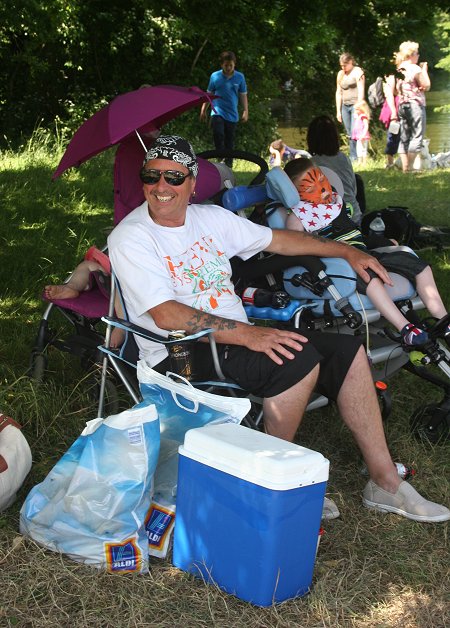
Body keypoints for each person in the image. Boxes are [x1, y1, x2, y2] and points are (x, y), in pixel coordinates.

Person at [107, 134, 450, 523]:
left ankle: (385, 483)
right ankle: (269, 481)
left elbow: (280, 240)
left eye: (173, 177)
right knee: (296, 357)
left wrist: (347, 250)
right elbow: (166, 315)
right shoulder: (131, 236)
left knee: (346, 348)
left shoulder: (209, 218)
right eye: (151, 176)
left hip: (231, 338)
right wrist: (249, 333)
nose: (161, 187)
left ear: (191, 182)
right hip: (178, 352)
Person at [282, 157, 449, 347]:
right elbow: (295, 246)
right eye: (309, 189)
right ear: (295, 194)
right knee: (369, 277)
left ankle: (444, 322)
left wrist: (382, 242)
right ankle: (406, 329)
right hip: (342, 265)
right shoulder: (298, 217)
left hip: (365, 252)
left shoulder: (334, 201)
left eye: (321, 179)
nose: (321, 189)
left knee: (417, 265)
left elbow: (354, 233)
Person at [44, 248, 125, 348]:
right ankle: (71, 287)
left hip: (125, 284)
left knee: (118, 289)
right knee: (86, 265)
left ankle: (121, 327)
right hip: (108, 274)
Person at [307, 115, 363, 225]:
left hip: (331, 220)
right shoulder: (344, 158)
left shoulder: (310, 164)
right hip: (354, 215)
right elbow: (353, 190)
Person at [200, 51, 248, 167]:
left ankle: (229, 164)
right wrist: (203, 110)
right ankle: (220, 157)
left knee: (229, 140)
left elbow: (243, 94)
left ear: (234, 64)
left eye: (231, 65)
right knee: (218, 133)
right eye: (226, 65)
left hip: (232, 114)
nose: (228, 68)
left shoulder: (239, 77)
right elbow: (209, 94)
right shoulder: (215, 76)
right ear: (221, 65)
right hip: (217, 110)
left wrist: (246, 110)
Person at [394, 41, 430, 172]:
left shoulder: (399, 69)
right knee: (416, 136)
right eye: (417, 53)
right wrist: (424, 70)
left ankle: (405, 168)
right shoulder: (415, 68)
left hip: (402, 105)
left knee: (404, 137)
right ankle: (409, 168)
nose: (418, 55)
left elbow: (395, 90)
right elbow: (426, 85)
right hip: (415, 105)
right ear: (411, 55)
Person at [335, 52, 365, 162]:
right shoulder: (340, 74)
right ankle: (353, 156)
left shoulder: (358, 72)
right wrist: (338, 110)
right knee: (348, 132)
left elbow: (361, 89)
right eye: (341, 65)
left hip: (355, 105)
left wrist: (359, 105)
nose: (343, 68)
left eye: (345, 65)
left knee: (354, 131)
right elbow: (338, 92)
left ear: (351, 62)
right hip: (345, 105)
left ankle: (355, 157)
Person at [379, 74, 400, 169]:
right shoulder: (391, 76)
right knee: (393, 135)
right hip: (393, 109)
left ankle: (397, 162)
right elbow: (389, 95)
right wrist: (394, 112)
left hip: (398, 107)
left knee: (397, 135)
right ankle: (390, 163)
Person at [352, 100, 371, 165]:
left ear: (362, 109)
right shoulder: (358, 116)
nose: (355, 111)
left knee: (363, 148)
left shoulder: (363, 116)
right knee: (359, 148)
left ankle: (364, 162)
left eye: (357, 109)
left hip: (363, 135)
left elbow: (366, 125)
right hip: (358, 135)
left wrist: (364, 134)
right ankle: (359, 161)